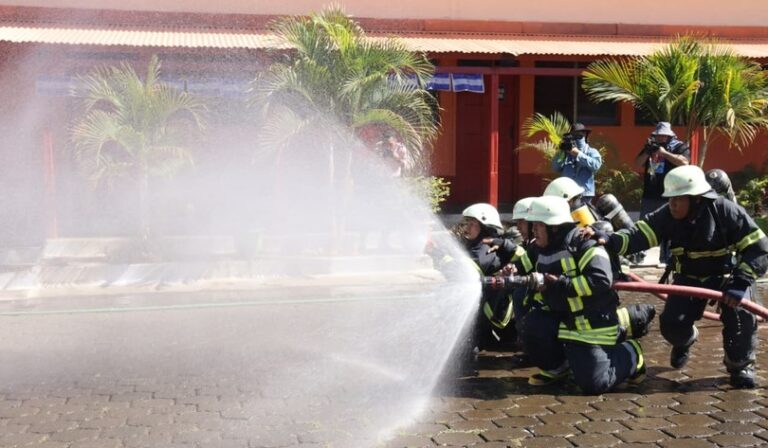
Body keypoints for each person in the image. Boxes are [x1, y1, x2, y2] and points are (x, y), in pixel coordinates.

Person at [592, 165, 768, 388]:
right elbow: (639, 235)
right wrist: (610, 240)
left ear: (696, 198)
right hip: (688, 279)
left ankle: (740, 367)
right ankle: (685, 340)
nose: (672, 204)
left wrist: (741, 281)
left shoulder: (726, 211)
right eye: (670, 199)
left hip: (728, 278)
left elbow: (759, 248)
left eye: (678, 199)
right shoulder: (667, 215)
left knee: (741, 318)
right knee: (671, 324)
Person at [519, 196, 645, 393]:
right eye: (532, 224)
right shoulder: (538, 248)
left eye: (538, 225)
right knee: (532, 325)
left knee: (593, 383)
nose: (533, 229)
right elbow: (522, 265)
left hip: (591, 324)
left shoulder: (584, 243)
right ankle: (558, 368)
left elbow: (601, 280)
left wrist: (560, 284)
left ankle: (632, 353)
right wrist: (510, 270)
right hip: (563, 319)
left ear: (554, 226)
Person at [635, 122, 690, 265]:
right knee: (643, 225)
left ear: (669, 135)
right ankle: (638, 255)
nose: (660, 138)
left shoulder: (679, 147)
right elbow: (637, 163)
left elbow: (685, 162)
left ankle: (666, 258)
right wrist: (647, 152)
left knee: (669, 226)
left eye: (663, 136)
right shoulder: (651, 146)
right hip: (650, 194)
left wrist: (664, 153)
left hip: (670, 194)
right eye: (658, 135)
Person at [551, 123, 602, 203]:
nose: (576, 138)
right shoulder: (565, 153)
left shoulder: (591, 151)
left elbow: (596, 166)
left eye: (579, 135)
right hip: (567, 194)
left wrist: (578, 154)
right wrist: (562, 152)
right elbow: (555, 167)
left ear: (585, 135)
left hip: (584, 194)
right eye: (573, 136)